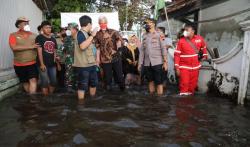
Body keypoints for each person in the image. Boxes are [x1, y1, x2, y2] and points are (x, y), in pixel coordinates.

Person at [174, 24, 208, 96]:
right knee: (184, 85)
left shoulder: (199, 38)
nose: (185, 32)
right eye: (184, 30)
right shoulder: (181, 41)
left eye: (187, 30)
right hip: (184, 67)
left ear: (193, 31)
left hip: (195, 67)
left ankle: (189, 104)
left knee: (192, 86)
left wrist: (205, 56)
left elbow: (204, 47)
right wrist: (177, 68)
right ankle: (182, 104)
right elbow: (177, 55)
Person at [9, 17, 39, 94]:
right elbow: (14, 47)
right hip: (19, 64)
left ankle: (32, 99)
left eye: (27, 23)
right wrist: (30, 46)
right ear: (19, 25)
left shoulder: (34, 35)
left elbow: (39, 48)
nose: (27, 25)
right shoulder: (13, 35)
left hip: (32, 63)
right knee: (25, 82)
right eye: (25, 23)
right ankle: (30, 98)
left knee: (33, 80)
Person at [138, 18, 168, 96]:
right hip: (147, 63)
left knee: (159, 82)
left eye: (149, 23)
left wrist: (165, 62)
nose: (147, 24)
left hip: (158, 62)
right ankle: (152, 98)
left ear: (153, 24)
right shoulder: (144, 35)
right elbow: (142, 51)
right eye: (146, 23)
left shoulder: (159, 34)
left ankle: (160, 99)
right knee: (150, 81)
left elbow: (163, 48)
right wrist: (140, 63)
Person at [95, 16, 125, 91]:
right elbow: (98, 48)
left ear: (107, 23)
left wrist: (118, 51)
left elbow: (119, 41)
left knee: (119, 77)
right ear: (99, 24)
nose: (103, 24)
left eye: (104, 23)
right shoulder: (97, 34)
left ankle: (123, 93)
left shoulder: (113, 31)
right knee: (107, 79)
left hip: (116, 58)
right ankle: (108, 98)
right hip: (105, 59)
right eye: (101, 23)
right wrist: (97, 59)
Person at [72, 16, 99, 100]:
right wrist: (92, 36)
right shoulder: (80, 33)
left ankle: (92, 100)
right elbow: (82, 46)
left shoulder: (87, 34)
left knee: (93, 83)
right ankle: (81, 105)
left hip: (91, 64)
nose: (91, 27)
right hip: (82, 66)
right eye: (91, 24)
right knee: (82, 86)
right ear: (89, 24)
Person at [36, 21, 58, 96]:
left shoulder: (53, 39)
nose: (49, 29)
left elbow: (55, 51)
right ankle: (46, 98)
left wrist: (56, 61)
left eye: (49, 27)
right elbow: (39, 51)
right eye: (46, 28)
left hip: (52, 64)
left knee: (54, 81)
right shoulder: (39, 38)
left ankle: (50, 95)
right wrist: (42, 64)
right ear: (42, 29)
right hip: (43, 64)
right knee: (44, 82)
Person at [64, 23, 77, 92]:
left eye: (69, 29)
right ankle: (69, 88)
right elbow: (62, 48)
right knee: (69, 75)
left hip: (78, 60)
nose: (68, 30)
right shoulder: (67, 38)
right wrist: (59, 56)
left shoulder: (80, 38)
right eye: (68, 29)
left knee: (78, 75)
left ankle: (77, 87)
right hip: (69, 60)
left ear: (75, 29)